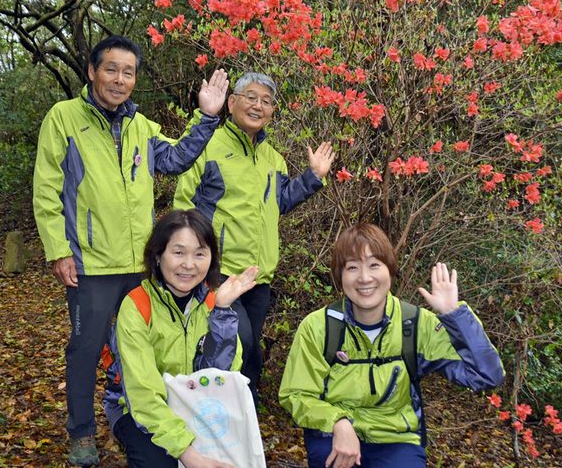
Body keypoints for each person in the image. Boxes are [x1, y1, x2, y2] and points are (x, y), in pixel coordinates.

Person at [32, 35, 229, 466]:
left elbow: (176, 160)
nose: (120, 80)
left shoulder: (141, 126)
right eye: (111, 69)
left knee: (142, 348)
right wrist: (58, 249)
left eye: (128, 72)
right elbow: (47, 188)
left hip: (140, 264)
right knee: (86, 348)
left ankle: (143, 419)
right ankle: (82, 432)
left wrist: (208, 117)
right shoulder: (64, 119)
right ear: (91, 70)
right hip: (91, 264)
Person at [278, 223, 505, 468]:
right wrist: (338, 421)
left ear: (390, 269)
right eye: (352, 267)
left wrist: (454, 315)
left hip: (396, 439)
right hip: (333, 437)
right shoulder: (319, 327)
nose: (365, 278)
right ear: (340, 276)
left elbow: (487, 376)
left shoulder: (415, 324)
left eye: (375, 265)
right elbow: (296, 394)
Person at [173, 71, 335, 402]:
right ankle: (224, 407)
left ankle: (244, 413)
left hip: (258, 275)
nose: (258, 106)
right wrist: (191, 259)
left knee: (247, 343)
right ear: (231, 103)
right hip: (218, 271)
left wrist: (313, 177)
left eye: (266, 101)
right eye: (251, 97)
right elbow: (183, 206)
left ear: (273, 111)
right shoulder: (208, 146)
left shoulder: (272, 158)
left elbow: (280, 202)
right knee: (238, 342)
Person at [103, 209, 259, 468]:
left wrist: (221, 313)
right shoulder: (137, 306)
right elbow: (143, 396)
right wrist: (188, 453)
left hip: (199, 404)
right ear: (157, 255)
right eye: (178, 252)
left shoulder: (213, 301)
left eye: (200, 253)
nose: (189, 264)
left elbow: (222, 378)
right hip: (137, 409)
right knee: (158, 462)